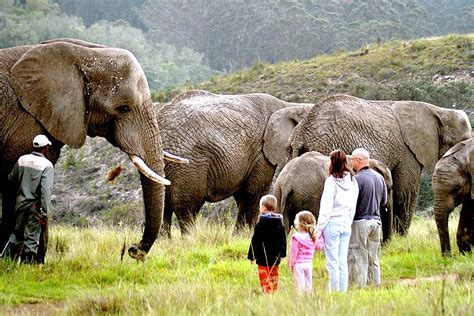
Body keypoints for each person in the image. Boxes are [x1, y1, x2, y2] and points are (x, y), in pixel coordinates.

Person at [5, 134, 54, 264]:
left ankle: (9, 262)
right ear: (45, 148)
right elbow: (46, 191)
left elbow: (11, 178)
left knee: (17, 233)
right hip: (35, 207)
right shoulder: (47, 165)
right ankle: (27, 266)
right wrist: (44, 212)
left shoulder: (22, 160)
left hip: (20, 204)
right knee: (31, 237)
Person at [316, 150, 359, 292]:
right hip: (346, 224)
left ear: (332, 163)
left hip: (332, 225)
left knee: (332, 263)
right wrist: (348, 222)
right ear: (345, 163)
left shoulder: (331, 182)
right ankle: (343, 292)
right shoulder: (353, 182)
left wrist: (318, 230)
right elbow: (353, 207)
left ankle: (334, 293)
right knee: (342, 262)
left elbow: (326, 209)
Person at [349, 148, 387, 287]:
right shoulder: (379, 177)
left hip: (360, 222)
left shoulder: (356, 179)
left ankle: (358, 286)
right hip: (376, 222)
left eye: (352, 160)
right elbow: (383, 202)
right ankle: (375, 285)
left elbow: (352, 203)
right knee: (373, 257)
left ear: (358, 160)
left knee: (358, 255)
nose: (351, 163)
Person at [248, 194, 287, 293]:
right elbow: (283, 240)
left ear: (264, 207)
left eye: (260, 206)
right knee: (274, 277)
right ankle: (272, 293)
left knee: (264, 277)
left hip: (262, 259)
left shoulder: (260, 224)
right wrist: (282, 254)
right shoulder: (280, 223)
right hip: (275, 258)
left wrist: (251, 256)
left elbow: (255, 241)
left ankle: (266, 293)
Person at [288, 210, 317, 293]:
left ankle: (300, 299)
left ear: (301, 223)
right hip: (309, 263)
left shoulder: (296, 237)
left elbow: (294, 253)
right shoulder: (313, 237)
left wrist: (291, 264)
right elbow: (318, 246)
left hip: (299, 264)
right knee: (309, 283)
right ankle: (308, 297)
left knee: (300, 284)